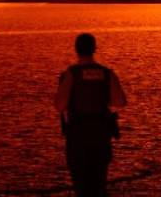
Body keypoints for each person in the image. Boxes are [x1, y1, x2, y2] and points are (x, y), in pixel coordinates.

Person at [54, 33, 127, 197]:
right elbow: (120, 102)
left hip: (78, 138)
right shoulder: (107, 73)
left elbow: (60, 106)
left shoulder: (71, 74)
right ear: (95, 49)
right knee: (99, 182)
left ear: (76, 50)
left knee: (81, 185)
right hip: (101, 137)